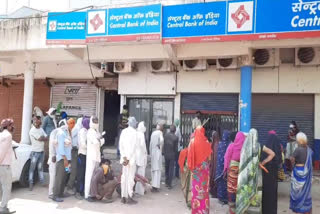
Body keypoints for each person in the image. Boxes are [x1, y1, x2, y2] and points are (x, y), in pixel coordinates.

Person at [236, 129, 262, 214]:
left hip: (246, 172)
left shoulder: (244, 147)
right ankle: (251, 201)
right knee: (253, 185)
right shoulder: (258, 146)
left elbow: (242, 160)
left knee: (245, 185)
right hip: (253, 172)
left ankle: (244, 203)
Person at [187, 126, 212, 214]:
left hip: (195, 170)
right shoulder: (207, 142)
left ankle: (196, 210)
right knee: (204, 190)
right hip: (204, 170)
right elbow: (209, 158)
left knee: (196, 190)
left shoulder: (192, 142)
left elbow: (189, 158)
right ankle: (204, 210)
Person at [290, 132, 313, 214]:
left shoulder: (298, 149)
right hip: (306, 171)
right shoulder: (309, 149)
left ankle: (299, 209)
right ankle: (307, 210)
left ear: (298, 140)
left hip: (298, 170)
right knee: (306, 192)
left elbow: (292, 159)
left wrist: (293, 166)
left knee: (297, 192)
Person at [224, 132, 246, 214]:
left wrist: (226, 169)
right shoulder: (244, 148)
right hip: (241, 171)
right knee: (239, 189)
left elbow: (227, 158)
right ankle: (239, 209)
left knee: (231, 189)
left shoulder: (232, 146)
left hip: (232, 171)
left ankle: (232, 210)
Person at [260, 132, 281, 214]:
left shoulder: (265, 151)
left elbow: (260, 160)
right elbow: (279, 162)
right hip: (273, 177)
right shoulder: (278, 151)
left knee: (266, 195)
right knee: (273, 196)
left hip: (265, 176)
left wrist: (263, 163)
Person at [85, 116, 105, 199]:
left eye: (97, 121)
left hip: (96, 156)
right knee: (89, 175)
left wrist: (100, 140)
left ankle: (93, 193)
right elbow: (96, 142)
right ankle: (87, 194)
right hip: (91, 156)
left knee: (94, 176)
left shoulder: (96, 131)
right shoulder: (90, 132)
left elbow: (101, 141)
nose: (96, 123)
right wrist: (100, 140)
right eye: (94, 121)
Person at [52, 119, 72, 202]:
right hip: (62, 160)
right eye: (66, 123)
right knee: (59, 177)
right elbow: (60, 148)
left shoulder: (66, 132)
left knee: (65, 176)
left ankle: (61, 193)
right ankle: (55, 195)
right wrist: (65, 159)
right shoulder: (60, 133)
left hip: (67, 159)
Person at [119, 117, 138, 204]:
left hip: (124, 159)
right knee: (130, 178)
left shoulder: (123, 132)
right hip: (131, 160)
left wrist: (124, 157)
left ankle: (123, 196)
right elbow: (133, 147)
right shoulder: (135, 133)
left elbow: (121, 146)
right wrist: (128, 158)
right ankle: (129, 196)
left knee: (124, 177)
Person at [28, 116, 48, 191]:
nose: (36, 121)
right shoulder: (32, 130)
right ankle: (30, 183)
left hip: (41, 152)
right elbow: (40, 139)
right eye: (35, 120)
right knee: (32, 169)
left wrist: (42, 138)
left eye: (38, 120)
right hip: (35, 152)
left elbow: (46, 138)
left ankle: (42, 182)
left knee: (40, 168)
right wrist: (42, 138)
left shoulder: (41, 129)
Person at [0, 119, 15, 214]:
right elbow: (2, 151)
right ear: (8, 126)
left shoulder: (1, 135)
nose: (13, 127)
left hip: (2, 165)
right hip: (4, 166)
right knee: (7, 187)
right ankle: (3, 208)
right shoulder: (8, 136)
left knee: (3, 187)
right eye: (12, 125)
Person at [66, 118, 82, 195]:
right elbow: (72, 139)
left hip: (74, 151)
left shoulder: (77, 129)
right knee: (73, 170)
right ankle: (69, 187)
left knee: (73, 169)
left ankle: (70, 185)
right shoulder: (77, 129)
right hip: (74, 151)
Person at [214, 130, 230, 204]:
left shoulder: (220, 144)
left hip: (220, 166)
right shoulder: (230, 144)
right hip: (227, 166)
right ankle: (226, 198)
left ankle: (220, 197)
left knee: (220, 182)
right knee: (226, 182)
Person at [75, 117, 90, 199]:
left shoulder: (87, 131)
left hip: (86, 155)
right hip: (82, 154)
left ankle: (82, 191)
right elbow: (83, 144)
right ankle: (78, 191)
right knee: (80, 174)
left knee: (84, 173)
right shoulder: (82, 132)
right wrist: (90, 147)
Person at [163, 125, 179, 189]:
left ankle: (166, 182)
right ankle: (169, 184)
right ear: (175, 130)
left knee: (166, 168)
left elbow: (164, 144)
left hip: (166, 154)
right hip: (172, 155)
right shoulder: (176, 137)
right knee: (171, 169)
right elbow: (176, 148)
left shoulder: (166, 135)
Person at [149, 124, 164, 193]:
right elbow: (161, 140)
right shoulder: (160, 133)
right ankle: (156, 187)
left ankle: (153, 186)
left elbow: (150, 144)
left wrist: (150, 153)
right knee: (158, 170)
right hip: (157, 153)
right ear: (161, 128)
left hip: (153, 152)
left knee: (153, 170)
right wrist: (160, 146)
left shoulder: (153, 133)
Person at [135, 121, 148, 196]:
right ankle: (140, 190)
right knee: (141, 174)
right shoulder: (141, 134)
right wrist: (145, 153)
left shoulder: (136, 133)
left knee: (137, 174)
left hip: (137, 157)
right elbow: (142, 146)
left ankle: (137, 189)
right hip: (141, 156)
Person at [48, 127, 59, 199]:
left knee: (55, 176)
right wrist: (54, 155)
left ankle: (54, 192)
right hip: (53, 157)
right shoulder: (55, 132)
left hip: (56, 157)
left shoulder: (57, 132)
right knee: (53, 176)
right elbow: (52, 144)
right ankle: (51, 193)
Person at [209, 130, 219, 198]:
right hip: (214, 163)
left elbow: (215, 155)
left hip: (215, 164)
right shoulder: (214, 143)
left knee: (214, 176)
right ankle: (213, 191)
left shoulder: (216, 144)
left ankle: (214, 192)